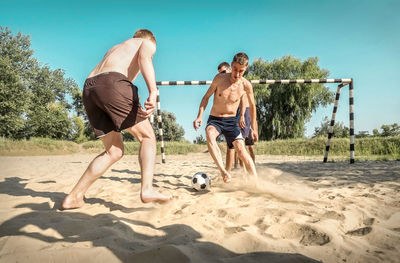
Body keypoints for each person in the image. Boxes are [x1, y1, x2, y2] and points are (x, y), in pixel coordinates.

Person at [62, 29, 171, 210]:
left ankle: (74, 196)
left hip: (90, 88)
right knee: (147, 137)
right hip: (111, 83)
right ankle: (147, 189)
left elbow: (124, 81)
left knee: (114, 151)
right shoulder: (146, 42)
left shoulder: (116, 49)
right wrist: (153, 91)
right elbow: (144, 61)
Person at [193, 53, 258, 183]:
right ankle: (224, 172)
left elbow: (252, 107)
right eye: (235, 69)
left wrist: (254, 129)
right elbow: (206, 98)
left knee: (241, 149)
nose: (237, 74)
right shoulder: (219, 79)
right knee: (209, 133)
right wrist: (199, 116)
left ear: (245, 70)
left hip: (231, 122)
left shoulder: (246, 85)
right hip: (215, 119)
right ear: (231, 66)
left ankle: (255, 183)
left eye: (241, 71)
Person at [233, 95, 256, 169]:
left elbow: (254, 120)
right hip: (240, 122)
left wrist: (254, 130)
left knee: (250, 148)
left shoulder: (249, 107)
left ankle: (252, 165)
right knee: (239, 145)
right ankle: (239, 167)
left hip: (248, 127)